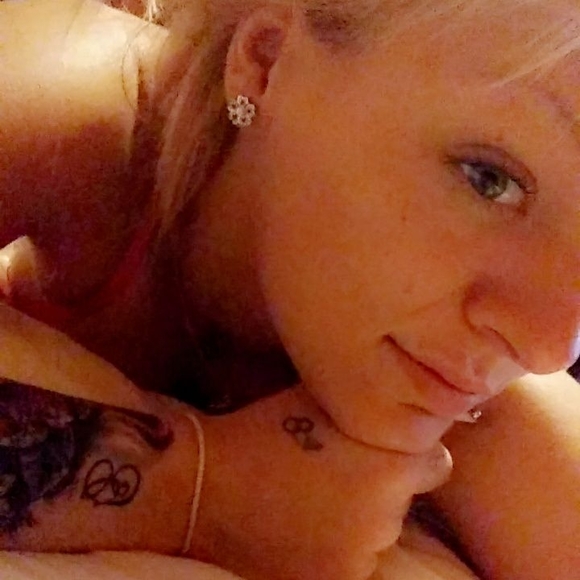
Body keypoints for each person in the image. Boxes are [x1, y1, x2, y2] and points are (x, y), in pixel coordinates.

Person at [1, 0, 580, 578]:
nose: (548, 348)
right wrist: (200, 490)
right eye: (490, 180)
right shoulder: (73, 99)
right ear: (268, 58)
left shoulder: (464, 376)